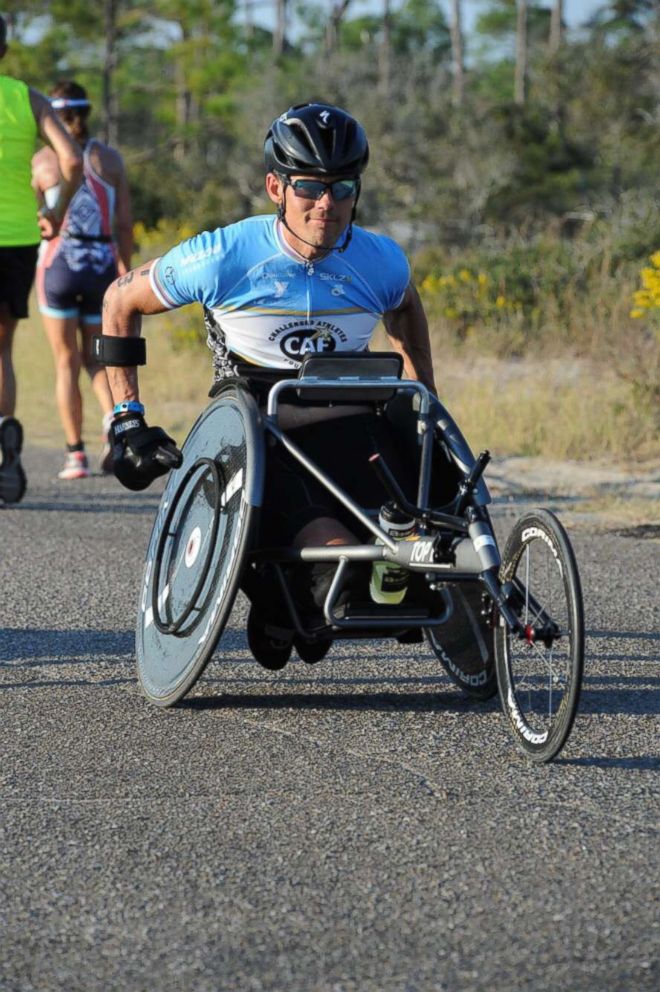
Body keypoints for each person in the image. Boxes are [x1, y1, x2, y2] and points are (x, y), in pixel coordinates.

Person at [100, 102, 437, 659]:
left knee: (421, 524)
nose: (326, 204)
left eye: (343, 188)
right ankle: (290, 596)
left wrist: (427, 399)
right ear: (275, 187)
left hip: (349, 415)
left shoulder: (381, 261)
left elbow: (406, 312)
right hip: (259, 420)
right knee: (335, 558)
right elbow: (119, 299)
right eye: (309, 187)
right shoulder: (224, 256)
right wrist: (126, 421)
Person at [31, 80, 133, 480]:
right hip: (101, 267)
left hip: (58, 265)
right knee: (98, 359)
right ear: (87, 113)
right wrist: (126, 267)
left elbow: (37, 220)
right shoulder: (110, 159)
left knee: (64, 361)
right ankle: (112, 423)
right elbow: (123, 222)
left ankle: (75, 454)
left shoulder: (41, 162)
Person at [0, 15, 82, 503]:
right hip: (17, 238)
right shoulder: (26, 97)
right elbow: (71, 160)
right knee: (2, 348)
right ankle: (4, 436)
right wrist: (54, 208)